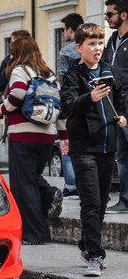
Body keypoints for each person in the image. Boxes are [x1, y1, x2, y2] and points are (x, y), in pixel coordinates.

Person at [61, 23, 127, 276]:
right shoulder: (73, 75)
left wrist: (121, 115)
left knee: (101, 203)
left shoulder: (109, 71)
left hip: (107, 146)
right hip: (83, 148)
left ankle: (87, 245)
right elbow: (66, 107)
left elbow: (120, 97)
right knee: (90, 202)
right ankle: (96, 256)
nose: (97, 48)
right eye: (91, 44)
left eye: (100, 43)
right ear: (79, 47)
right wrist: (90, 98)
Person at [0, 36, 66, 244]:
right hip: (46, 136)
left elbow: (17, 93)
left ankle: (34, 234)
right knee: (33, 179)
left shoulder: (20, 70)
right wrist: (63, 136)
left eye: (13, 51)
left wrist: (3, 108)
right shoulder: (49, 74)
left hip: (23, 135)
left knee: (23, 185)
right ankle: (50, 193)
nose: (10, 55)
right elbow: (61, 108)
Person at [103, 0, 128, 214]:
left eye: (110, 14)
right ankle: (125, 200)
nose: (106, 17)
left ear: (123, 14)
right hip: (116, 107)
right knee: (122, 156)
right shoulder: (112, 40)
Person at [58, 13, 85, 200]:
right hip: (92, 100)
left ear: (70, 29)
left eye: (64, 30)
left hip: (72, 102)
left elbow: (62, 78)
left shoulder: (65, 52)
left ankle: (71, 186)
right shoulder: (93, 47)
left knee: (67, 144)